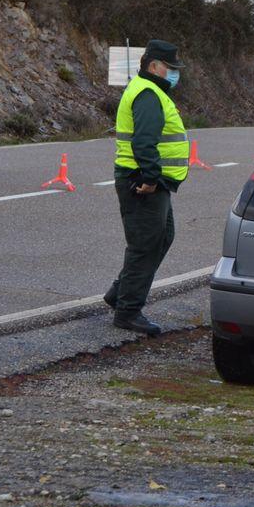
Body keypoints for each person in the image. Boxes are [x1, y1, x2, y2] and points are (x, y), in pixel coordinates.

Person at [103, 39, 189, 337]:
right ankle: (127, 311)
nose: (175, 74)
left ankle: (120, 293)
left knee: (162, 236)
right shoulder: (149, 94)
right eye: (171, 68)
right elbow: (143, 141)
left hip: (155, 182)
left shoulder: (151, 90)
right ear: (154, 66)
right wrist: (150, 178)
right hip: (143, 182)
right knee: (145, 243)